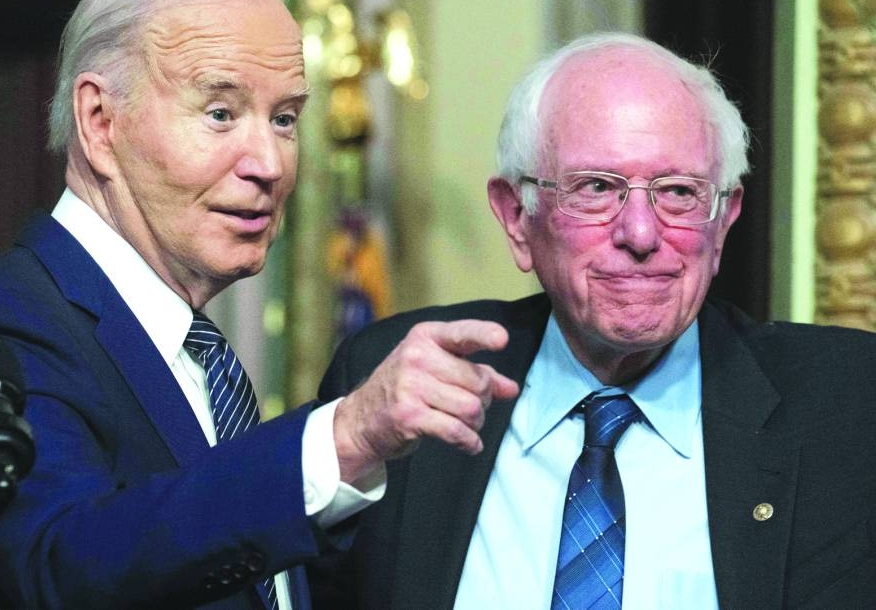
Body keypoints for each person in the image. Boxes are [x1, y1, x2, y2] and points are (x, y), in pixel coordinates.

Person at [0, 0, 518, 608]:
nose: (269, 164)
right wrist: (344, 438)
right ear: (100, 122)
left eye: (284, 119)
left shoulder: (200, 355)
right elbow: (61, 567)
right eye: (220, 113)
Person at [311, 32, 876, 609]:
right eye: (597, 188)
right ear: (516, 217)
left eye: (679, 192)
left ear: (723, 220)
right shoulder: (403, 381)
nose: (640, 235)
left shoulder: (848, 405)